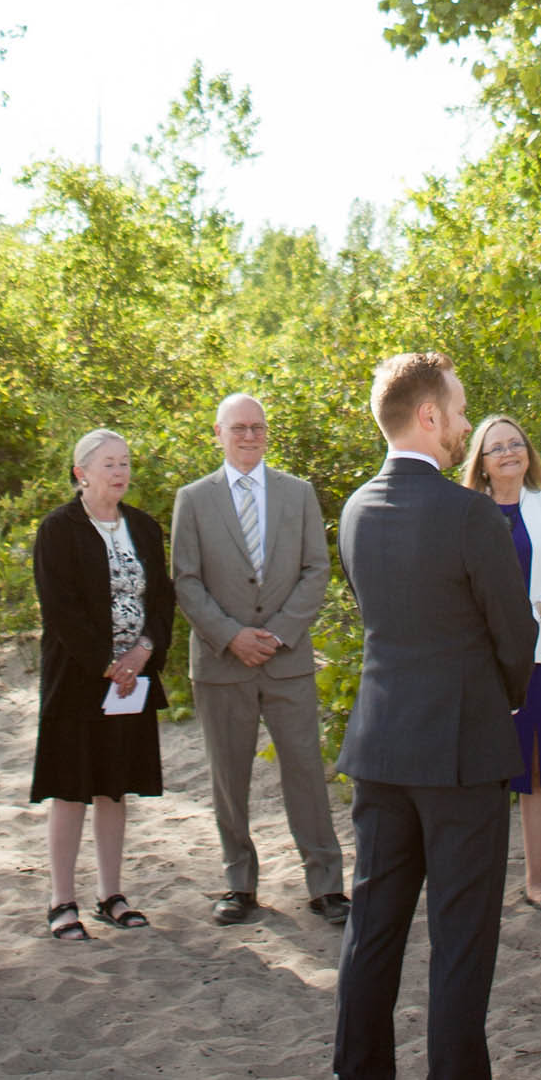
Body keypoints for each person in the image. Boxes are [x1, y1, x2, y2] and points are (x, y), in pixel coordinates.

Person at [330, 351, 541, 1080]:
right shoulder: (469, 517)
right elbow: (515, 642)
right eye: (457, 409)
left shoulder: (355, 508)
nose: (464, 423)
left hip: (381, 745)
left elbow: (380, 617)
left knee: (373, 927)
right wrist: (490, 702)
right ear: (427, 417)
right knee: (461, 940)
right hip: (459, 750)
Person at [171, 391, 349, 927]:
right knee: (229, 776)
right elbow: (186, 579)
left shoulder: (297, 494)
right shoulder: (193, 499)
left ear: (267, 432)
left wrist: (276, 633)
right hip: (223, 663)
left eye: (258, 427)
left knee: (305, 773)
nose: (249, 436)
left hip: (287, 659)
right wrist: (232, 636)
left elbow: (317, 569)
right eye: (238, 428)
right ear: (219, 435)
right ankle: (238, 884)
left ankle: (326, 884)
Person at [30, 428, 175, 941]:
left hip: (133, 680)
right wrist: (108, 665)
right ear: (81, 472)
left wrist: (141, 653)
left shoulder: (144, 527)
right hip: (78, 679)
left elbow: (162, 600)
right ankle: (60, 899)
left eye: (125, 462)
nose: (120, 472)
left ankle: (111, 894)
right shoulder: (58, 529)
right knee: (71, 790)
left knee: (116, 787)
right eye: (109, 463)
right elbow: (61, 609)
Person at [458, 415, 541, 909]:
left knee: (536, 770)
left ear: (527, 452)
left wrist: (530, 613)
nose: (509, 452)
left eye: (516, 444)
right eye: (496, 448)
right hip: (481, 660)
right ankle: (477, 883)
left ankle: (535, 881)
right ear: (481, 464)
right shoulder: (465, 512)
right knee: (482, 773)